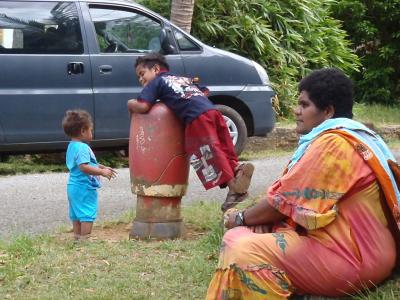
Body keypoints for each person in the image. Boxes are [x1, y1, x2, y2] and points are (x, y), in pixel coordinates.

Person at [206, 68, 400, 299]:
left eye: (304, 105)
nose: (296, 111)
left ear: (327, 111)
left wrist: (239, 218)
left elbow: (281, 203)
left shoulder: (333, 144)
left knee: (240, 247)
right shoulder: (360, 135)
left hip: (355, 260)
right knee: (256, 228)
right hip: (374, 254)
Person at [127, 53, 254, 211]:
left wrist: (130, 103)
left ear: (155, 69)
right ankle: (237, 169)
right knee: (223, 147)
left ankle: (234, 189)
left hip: (196, 117)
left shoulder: (157, 81)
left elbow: (143, 106)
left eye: (142, 74)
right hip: (212, 111)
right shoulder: (181, 78)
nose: (141, 80)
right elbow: (205, 91)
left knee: (208, 154)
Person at [62, 110, 117, 240]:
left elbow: (88, 163)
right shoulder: (82, 148)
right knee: (87, 213)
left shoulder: (72, 146)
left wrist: (102, 166)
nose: (91, 133)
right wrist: (102, 172)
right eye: (90, 130)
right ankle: (85, 239)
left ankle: (77, 238)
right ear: (83, 131)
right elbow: (84, 167)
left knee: (76, 214)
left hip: (73, 186)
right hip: (84, 187)